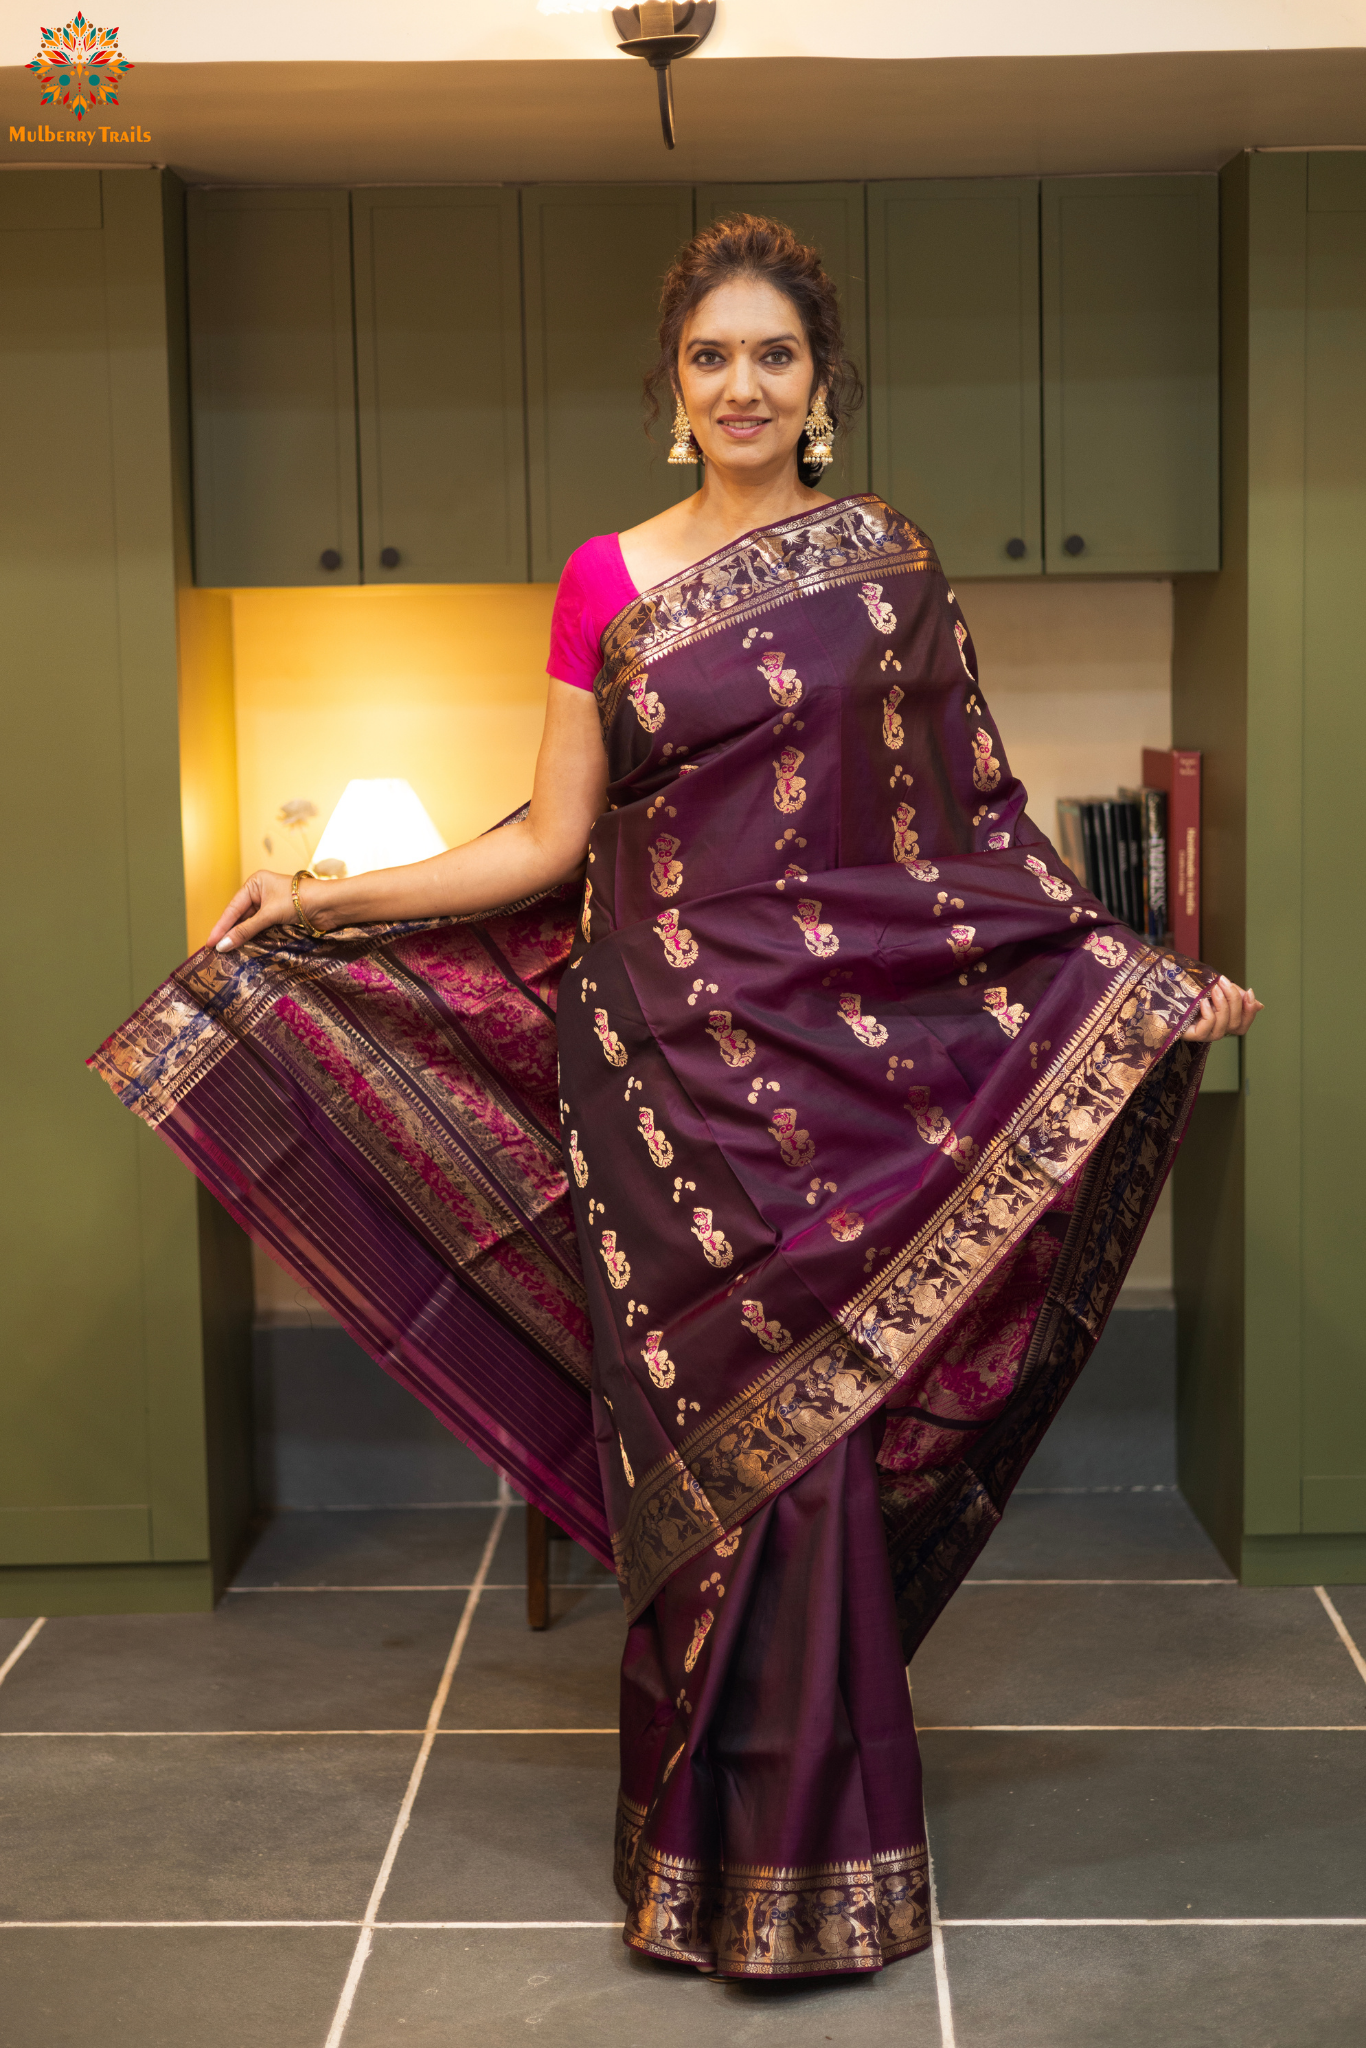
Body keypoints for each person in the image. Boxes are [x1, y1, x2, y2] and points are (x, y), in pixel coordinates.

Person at [92, 216, 1260, 1982]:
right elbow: (550, 838)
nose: (738, 385)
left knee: (821, 1447)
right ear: (673, 391)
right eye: (709, 357)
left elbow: (973, 832)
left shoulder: (885, 569)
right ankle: (705, 1852)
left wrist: (1133, 976)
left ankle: (802, 1851)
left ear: (819, 389)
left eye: (771, 356)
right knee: (707, 1467)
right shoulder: (603, 581)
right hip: (656, 1076)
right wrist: (318, 898)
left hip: (841, 1068)